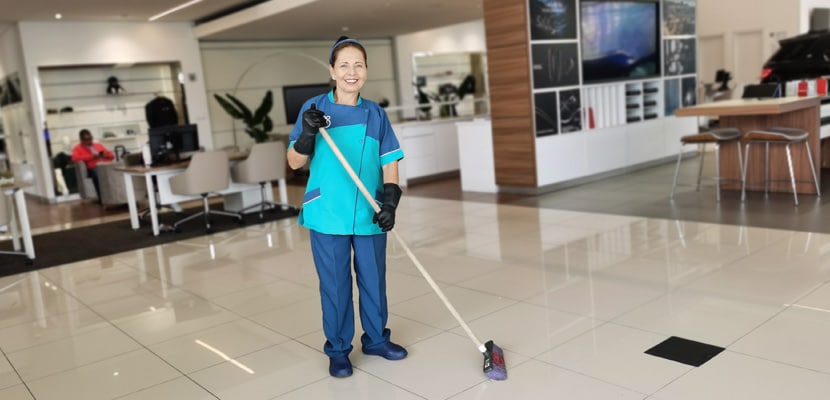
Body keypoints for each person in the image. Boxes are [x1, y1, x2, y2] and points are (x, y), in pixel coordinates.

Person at [287, 36, 406, 378]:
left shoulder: (375, 113)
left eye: (358, 65)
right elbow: (294, 162)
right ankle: (338, 350)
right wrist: (308, 134)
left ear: (366, 70)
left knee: (373, 280)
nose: (351, 72)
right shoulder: (314, 107)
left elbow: (390, 161)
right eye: (344, 65)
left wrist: (390, 201)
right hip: (327, 213)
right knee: (336, 285)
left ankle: (376, 340)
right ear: (332, 70)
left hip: (368, 211)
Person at [71, 129, 114, 202]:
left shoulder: (98, 145)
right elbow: (75, 158)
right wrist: (91, 156)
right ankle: (102, 198)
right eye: (86, 139)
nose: (89, 141)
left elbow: (112, 156)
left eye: (90, 138)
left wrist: (105, 155)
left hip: (105, 165)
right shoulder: (77, 148)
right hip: (93, 167)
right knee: (96, 174)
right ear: (81, 139)